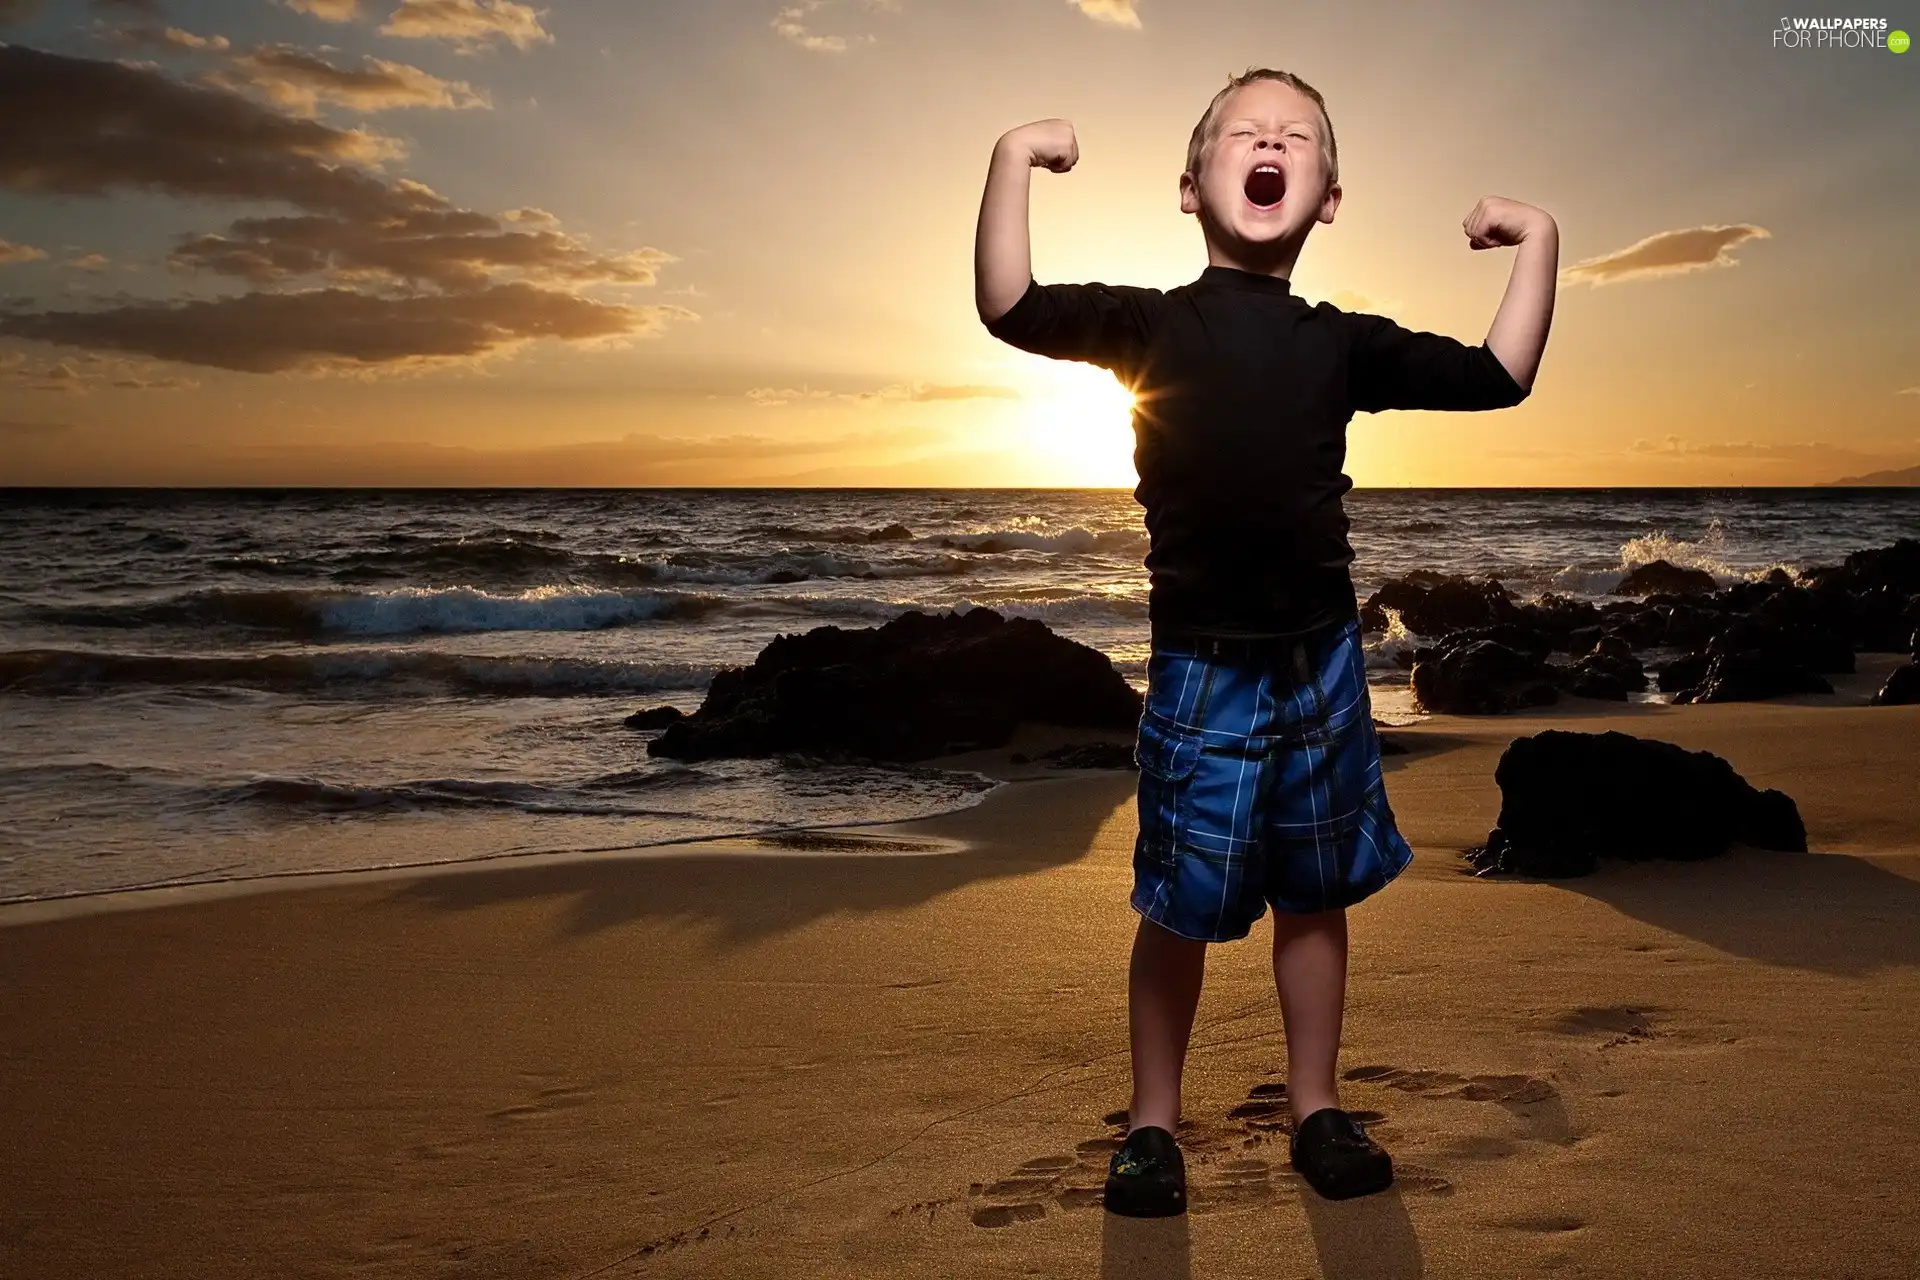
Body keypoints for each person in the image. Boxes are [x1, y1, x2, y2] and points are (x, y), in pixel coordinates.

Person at [973, 67, 1556, 1214]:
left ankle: (1316, 1106)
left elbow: (1501, 375)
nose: (1271, 140)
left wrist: (1537, 235)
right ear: (1191, 185)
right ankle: (1151, 1125)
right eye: (1244, 131)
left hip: (1323, 662)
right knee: (1178, 901)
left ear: (1327, 196)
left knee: (1316, 890)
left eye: (1297, 136)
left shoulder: (1339, 342)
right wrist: (1012, 156)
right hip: (1202, 665)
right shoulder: (1148, 322)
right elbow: (1010, 304)